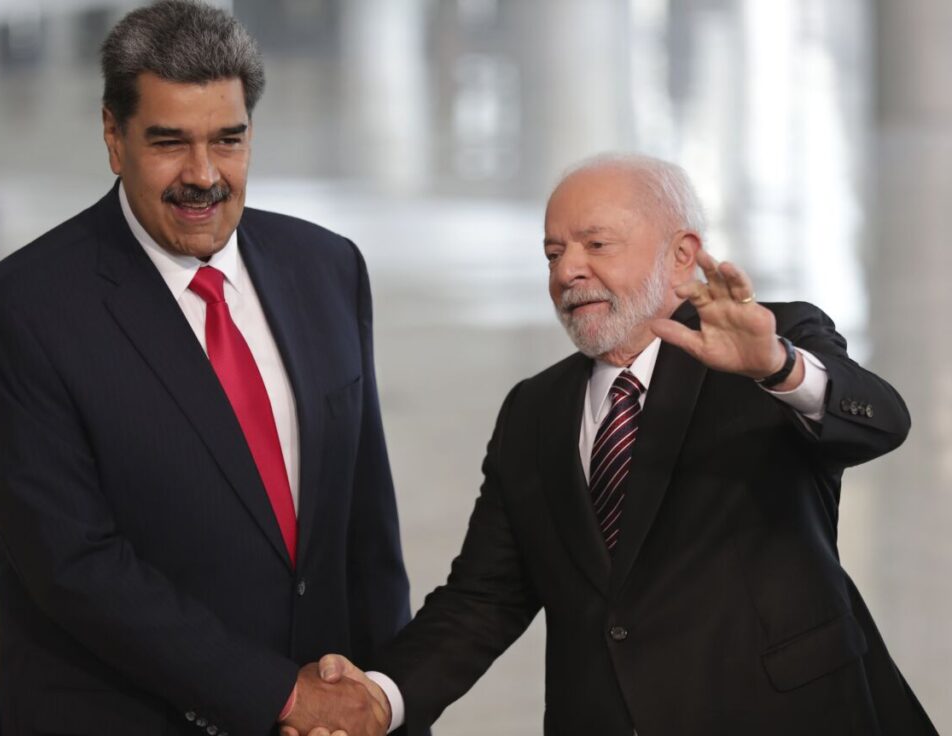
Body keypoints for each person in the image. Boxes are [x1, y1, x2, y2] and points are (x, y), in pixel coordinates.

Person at [300, 154, 938, 735]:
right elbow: (485, 596)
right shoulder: (534, 410)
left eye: (596, 244)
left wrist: (778, 367)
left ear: (681, 255)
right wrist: (381, 697)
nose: (567, 270)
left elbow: (882, 421)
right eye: (553, 253)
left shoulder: (770, 346)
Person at [0, 2, 408, 734]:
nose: (203, 175)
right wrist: (281, 696)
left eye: (228, 139)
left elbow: (366, 533)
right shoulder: (20, 313)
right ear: (114, 136)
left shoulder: (327, 268)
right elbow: (76, 567)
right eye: (169, 142)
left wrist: (387, 706)